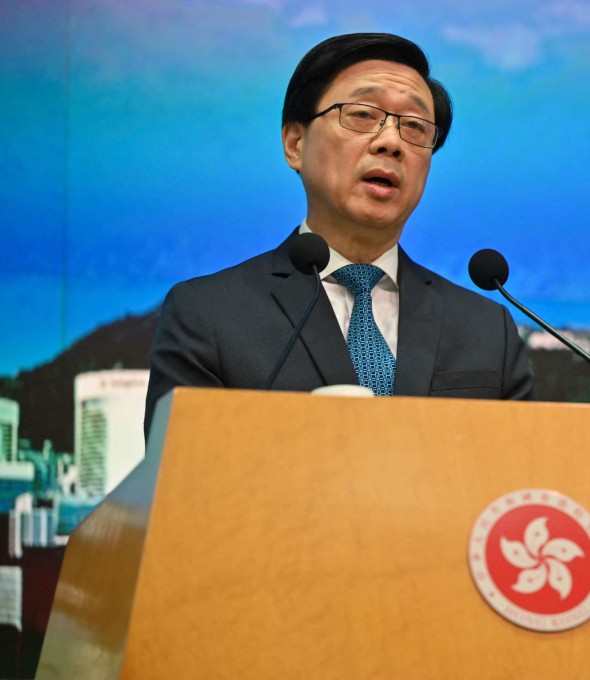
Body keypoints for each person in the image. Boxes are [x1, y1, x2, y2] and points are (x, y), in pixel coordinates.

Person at [143, 33, 535, 438]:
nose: (390, 143)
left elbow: (521, 482)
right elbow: (186, 484)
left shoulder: (487, 329)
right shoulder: (210, 315)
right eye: (363, 115)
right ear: (295, 143)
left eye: (415, 126)